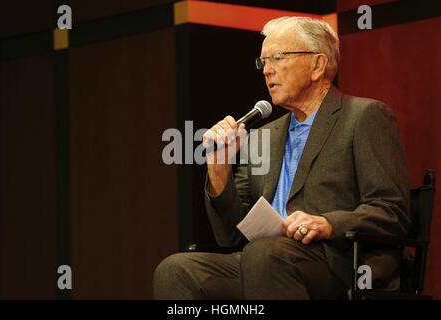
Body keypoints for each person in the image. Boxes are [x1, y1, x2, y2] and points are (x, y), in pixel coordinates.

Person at [153, 16, 410, 299]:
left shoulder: (363, 117)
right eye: (263, 62)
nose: (267, 71)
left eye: (277, 58)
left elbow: (391, 212)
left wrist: (328, 223)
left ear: (317, 65)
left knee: (265, 255)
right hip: (264, 261)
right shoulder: (264, 135)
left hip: (338, 262)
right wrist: (219, 166)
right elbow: (230, 236)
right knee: (176, 269)